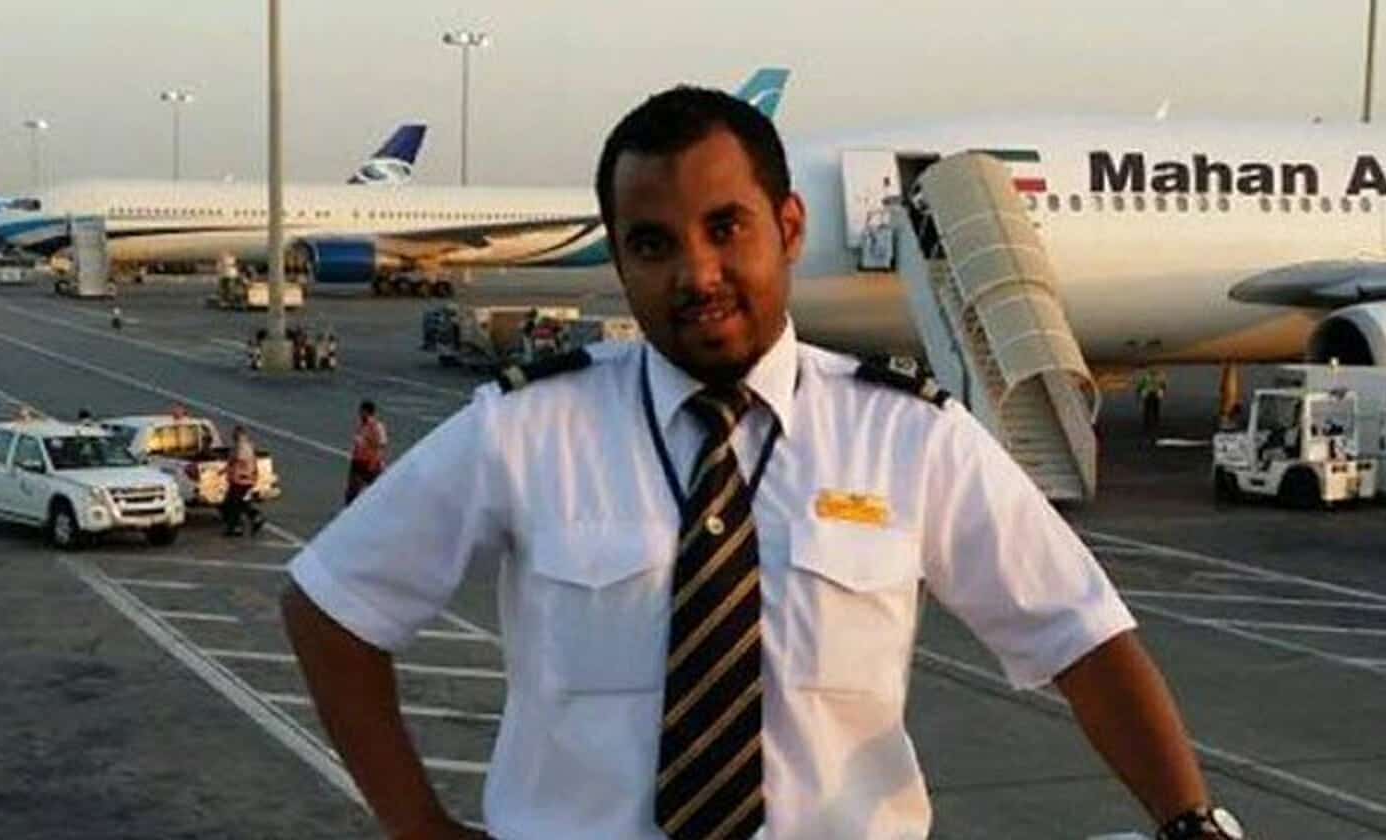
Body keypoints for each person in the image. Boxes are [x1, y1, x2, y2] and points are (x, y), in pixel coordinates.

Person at [280, 88, 1244, 840]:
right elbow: (331, 606)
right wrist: (417, 826)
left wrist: (1188, 821)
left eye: (725, 228)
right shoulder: (527, 430)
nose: (695, 274)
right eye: (652, 245)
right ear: (619, 259)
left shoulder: (909, 435)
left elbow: (1083, 639)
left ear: (788, 227)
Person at [221, 424, 264, 537]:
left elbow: (239, 459)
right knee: (240, 502)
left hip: (240, 480)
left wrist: (230, 466)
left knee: (231, 504)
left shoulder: (242, 447)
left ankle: (236, 527)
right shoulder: (247, 446)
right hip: (244, 479)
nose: (233, 436)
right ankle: (254, 518)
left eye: (235, 434)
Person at [344, 399, 389, 505]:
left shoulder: (377, 426)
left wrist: (374, 463)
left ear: (366, 412)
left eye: (361, 411)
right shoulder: (362, 425)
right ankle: (350, 511)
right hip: (358, 462)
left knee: (376, 492)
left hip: (370, 464)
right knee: (351, 493)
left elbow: (381, 446)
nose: (359, 413)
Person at [1136, 366, 1168, 435]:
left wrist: (1162, 391)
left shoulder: (1158, 377)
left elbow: (1163, 385)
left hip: (1155, 394)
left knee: (1155, 409)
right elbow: (1140, 386)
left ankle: (1155, 423)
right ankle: (1147, 423)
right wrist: (1139, 392)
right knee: (1148, 409)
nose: (1153, 370)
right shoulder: (1146, 377)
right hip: (1148, 394)